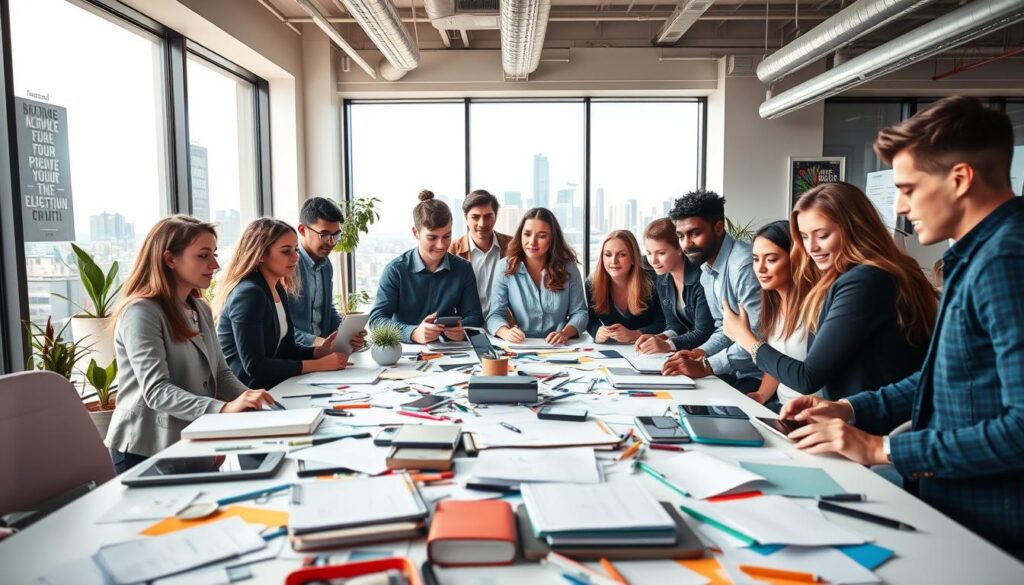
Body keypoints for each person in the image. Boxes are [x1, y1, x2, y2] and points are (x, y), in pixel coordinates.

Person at [780, 97, 1024, 558]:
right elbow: (938, 381)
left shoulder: (1006, 260)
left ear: (960, 179)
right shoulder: (976, 256)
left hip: (991, 529)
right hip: (952, 504)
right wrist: (848, 409)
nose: (903, 207)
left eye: (909, 188)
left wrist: (881, 450)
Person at [722, 182, 937, 402]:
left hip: (869, 426)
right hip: (855, 418)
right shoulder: (865, 276)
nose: (811, 248)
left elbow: (808, 378)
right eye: (804, 237)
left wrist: (746, 338)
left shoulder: (864, 281)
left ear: (855, 228)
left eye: (822, 235)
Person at [106, 216, 276, 473]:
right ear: (170, 259)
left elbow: (220, 373)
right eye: (203, 255)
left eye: (214, 254)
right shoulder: (141, 312)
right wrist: (222, 410)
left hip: (192, 439)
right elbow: (156, 391)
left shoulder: (200, 308)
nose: (215, 264)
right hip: (146, 449)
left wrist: (252, 403)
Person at [216, 218, 351, 390]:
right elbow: (255, 366)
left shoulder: (278, 288)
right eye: (286, 251)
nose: (296, 257)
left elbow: (286, 350)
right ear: (261, 254)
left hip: (276, 386)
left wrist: (317, 352)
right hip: (249, 394)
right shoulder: (249, 294)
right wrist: (319, 364)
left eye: (295, 249)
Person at [660, 190, 762, 392]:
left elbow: (756, 337)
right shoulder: (707, 271)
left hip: (758, 376)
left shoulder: (744, 266)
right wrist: (698, 353)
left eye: (695, 234)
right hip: (731, 372)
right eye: (681, 236)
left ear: (718, 227)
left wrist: (707, 365)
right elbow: (724, 330)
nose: (686, 244)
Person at [368, 190, 483, 343]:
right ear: (416, 232)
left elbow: (475, 316)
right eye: (432, 237)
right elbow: (376, 321)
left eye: (447, 236)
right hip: (405, 355)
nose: (441, 245)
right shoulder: (396, 270)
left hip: (449, 353)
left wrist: (462, 329)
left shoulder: (464, 269)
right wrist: (413, 332)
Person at [487, 207, 587, 345]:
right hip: (521, 345)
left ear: (552, 238)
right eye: (527, 234)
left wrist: (564, 334)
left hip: (559, 346)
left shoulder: (568, 267)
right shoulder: (505, 267)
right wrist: (506, 333)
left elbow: (580, 312)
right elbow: (494, 315)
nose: (532, 242)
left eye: (541, 236)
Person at [737, 221, 809, 412]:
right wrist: (761, 395)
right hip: (781, 408)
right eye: (755, 259)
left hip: (813, 414)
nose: (760, 269)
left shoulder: (815, 310)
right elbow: (776, 363)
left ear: (795, 259)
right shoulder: (773, 308)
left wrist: (743, 336)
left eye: (771, 259)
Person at [289, 196, 366, 349]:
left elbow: (327, 310)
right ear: (302, 230)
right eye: (324, 234)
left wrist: (346, 334)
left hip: (323, 352)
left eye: (336, 235)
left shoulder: (326, 265)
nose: (331, 242)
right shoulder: (288, 266)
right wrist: (317, 342)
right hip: (297, 354)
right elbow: (280, 329)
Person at [634, 218, 714, 354]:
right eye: (649, 253)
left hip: (709, 354)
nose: (653, 261)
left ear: (679, 248)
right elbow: (675, 325)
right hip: (688, 352)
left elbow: (704, 332)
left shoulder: (702, 278)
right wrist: (659, 337)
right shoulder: (662, 278)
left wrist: (668, 345)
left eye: (660, 253)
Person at [585, 230, 664, 343]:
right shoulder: (592, 284)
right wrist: (596, 331)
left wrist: (635, 334)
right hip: (614, 349)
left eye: (621, 255)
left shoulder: (652, 281)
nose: (613, 261)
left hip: (646, 347)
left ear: (633, 258)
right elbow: (590, 320)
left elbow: (663, 322)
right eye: (608, 255)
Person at [449, 189, 513, 315]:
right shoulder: (451, 251)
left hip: (505, 326)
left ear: (496, 216)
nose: (482, 224)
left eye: (488, 216)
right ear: (465, 217)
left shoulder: (512, 247)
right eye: (475, 217)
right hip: (466, 326)